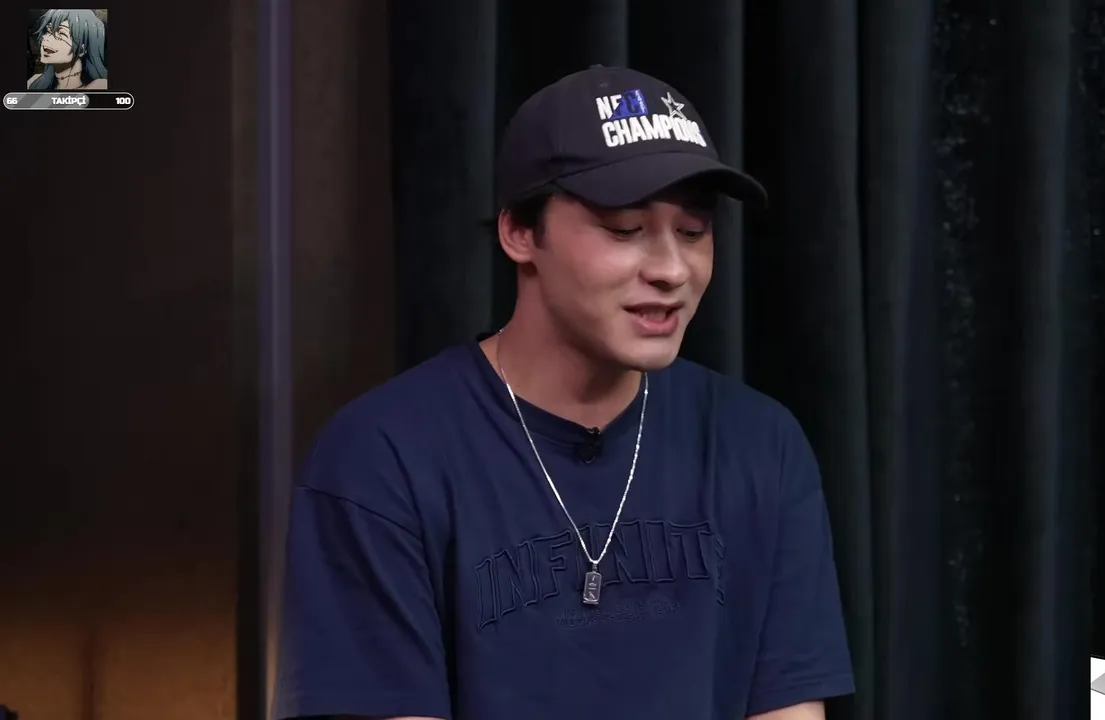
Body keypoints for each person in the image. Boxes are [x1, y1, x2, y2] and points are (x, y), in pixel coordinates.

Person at [273, 65, 855, 720]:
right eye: (625, 229)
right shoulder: (382, 459)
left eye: (693, 232)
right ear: (520, 233)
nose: (671, 269)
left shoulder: (761, 446)